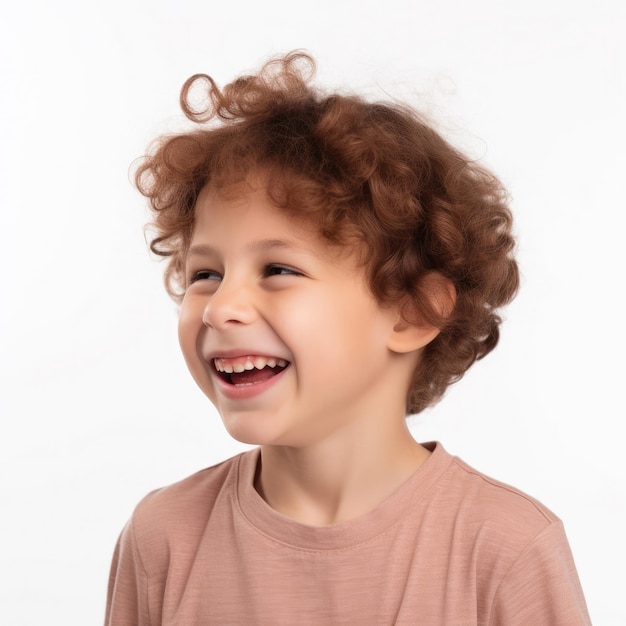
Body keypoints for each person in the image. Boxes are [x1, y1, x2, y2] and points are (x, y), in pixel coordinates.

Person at [105, 52, 591, 625]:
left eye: (278, 270)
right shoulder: (164, 537)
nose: (221, 308)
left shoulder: (505, 549)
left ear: (413, 311)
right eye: (204, 274)